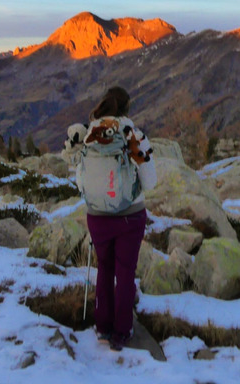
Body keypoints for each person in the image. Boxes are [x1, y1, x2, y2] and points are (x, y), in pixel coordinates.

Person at [64, 86, 156, 351]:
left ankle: (102, 327)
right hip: (130, 216)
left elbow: (81, 178)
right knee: (125, 272)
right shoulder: (133, 136)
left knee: (104, 269)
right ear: (127, 109)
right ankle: (122, 331)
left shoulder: (90, 136)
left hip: (98, 217)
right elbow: (150, 181)